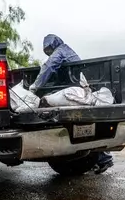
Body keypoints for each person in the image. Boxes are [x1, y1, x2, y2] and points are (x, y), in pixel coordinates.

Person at [30, 34, 114, 174]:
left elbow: (49, 67)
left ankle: (104, 159)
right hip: (79, 89)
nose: (50, 52)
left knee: (82, 130)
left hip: (76, 92)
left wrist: (35, 86)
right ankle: (103, 159)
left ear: (54, 45)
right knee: (87, 129)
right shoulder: (67, 51)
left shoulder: (61, 51)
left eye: (50, 49)